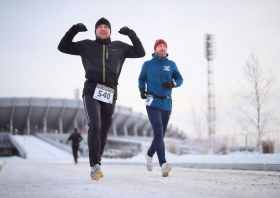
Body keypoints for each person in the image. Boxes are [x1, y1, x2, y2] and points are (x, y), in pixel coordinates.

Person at [58, 17, 145, 180]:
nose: (103, 29)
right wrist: (74, 29)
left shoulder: (120, 47)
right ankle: (94, 165)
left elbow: (140, 52)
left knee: (104, 131)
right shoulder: (86, 45)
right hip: (92, 90)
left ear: (110, 31)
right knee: (95, 125)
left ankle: (98, 160)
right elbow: (62, 47)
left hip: (110, 92)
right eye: (100, 27)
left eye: (106, 27)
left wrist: (131, 34)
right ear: (95, 31)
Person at [138, 39, 183, 177]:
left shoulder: (171, 64)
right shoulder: (147, 64)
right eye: (160, 46)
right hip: (152, 102)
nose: (162, 48)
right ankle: (163, 164)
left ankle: (149, 154)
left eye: (164, 46)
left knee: (160, 134)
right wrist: (141, 89)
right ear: (155, 49)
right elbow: (141, 79)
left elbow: (180, 79)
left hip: (167, 103)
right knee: (158, 129)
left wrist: (174, 84)